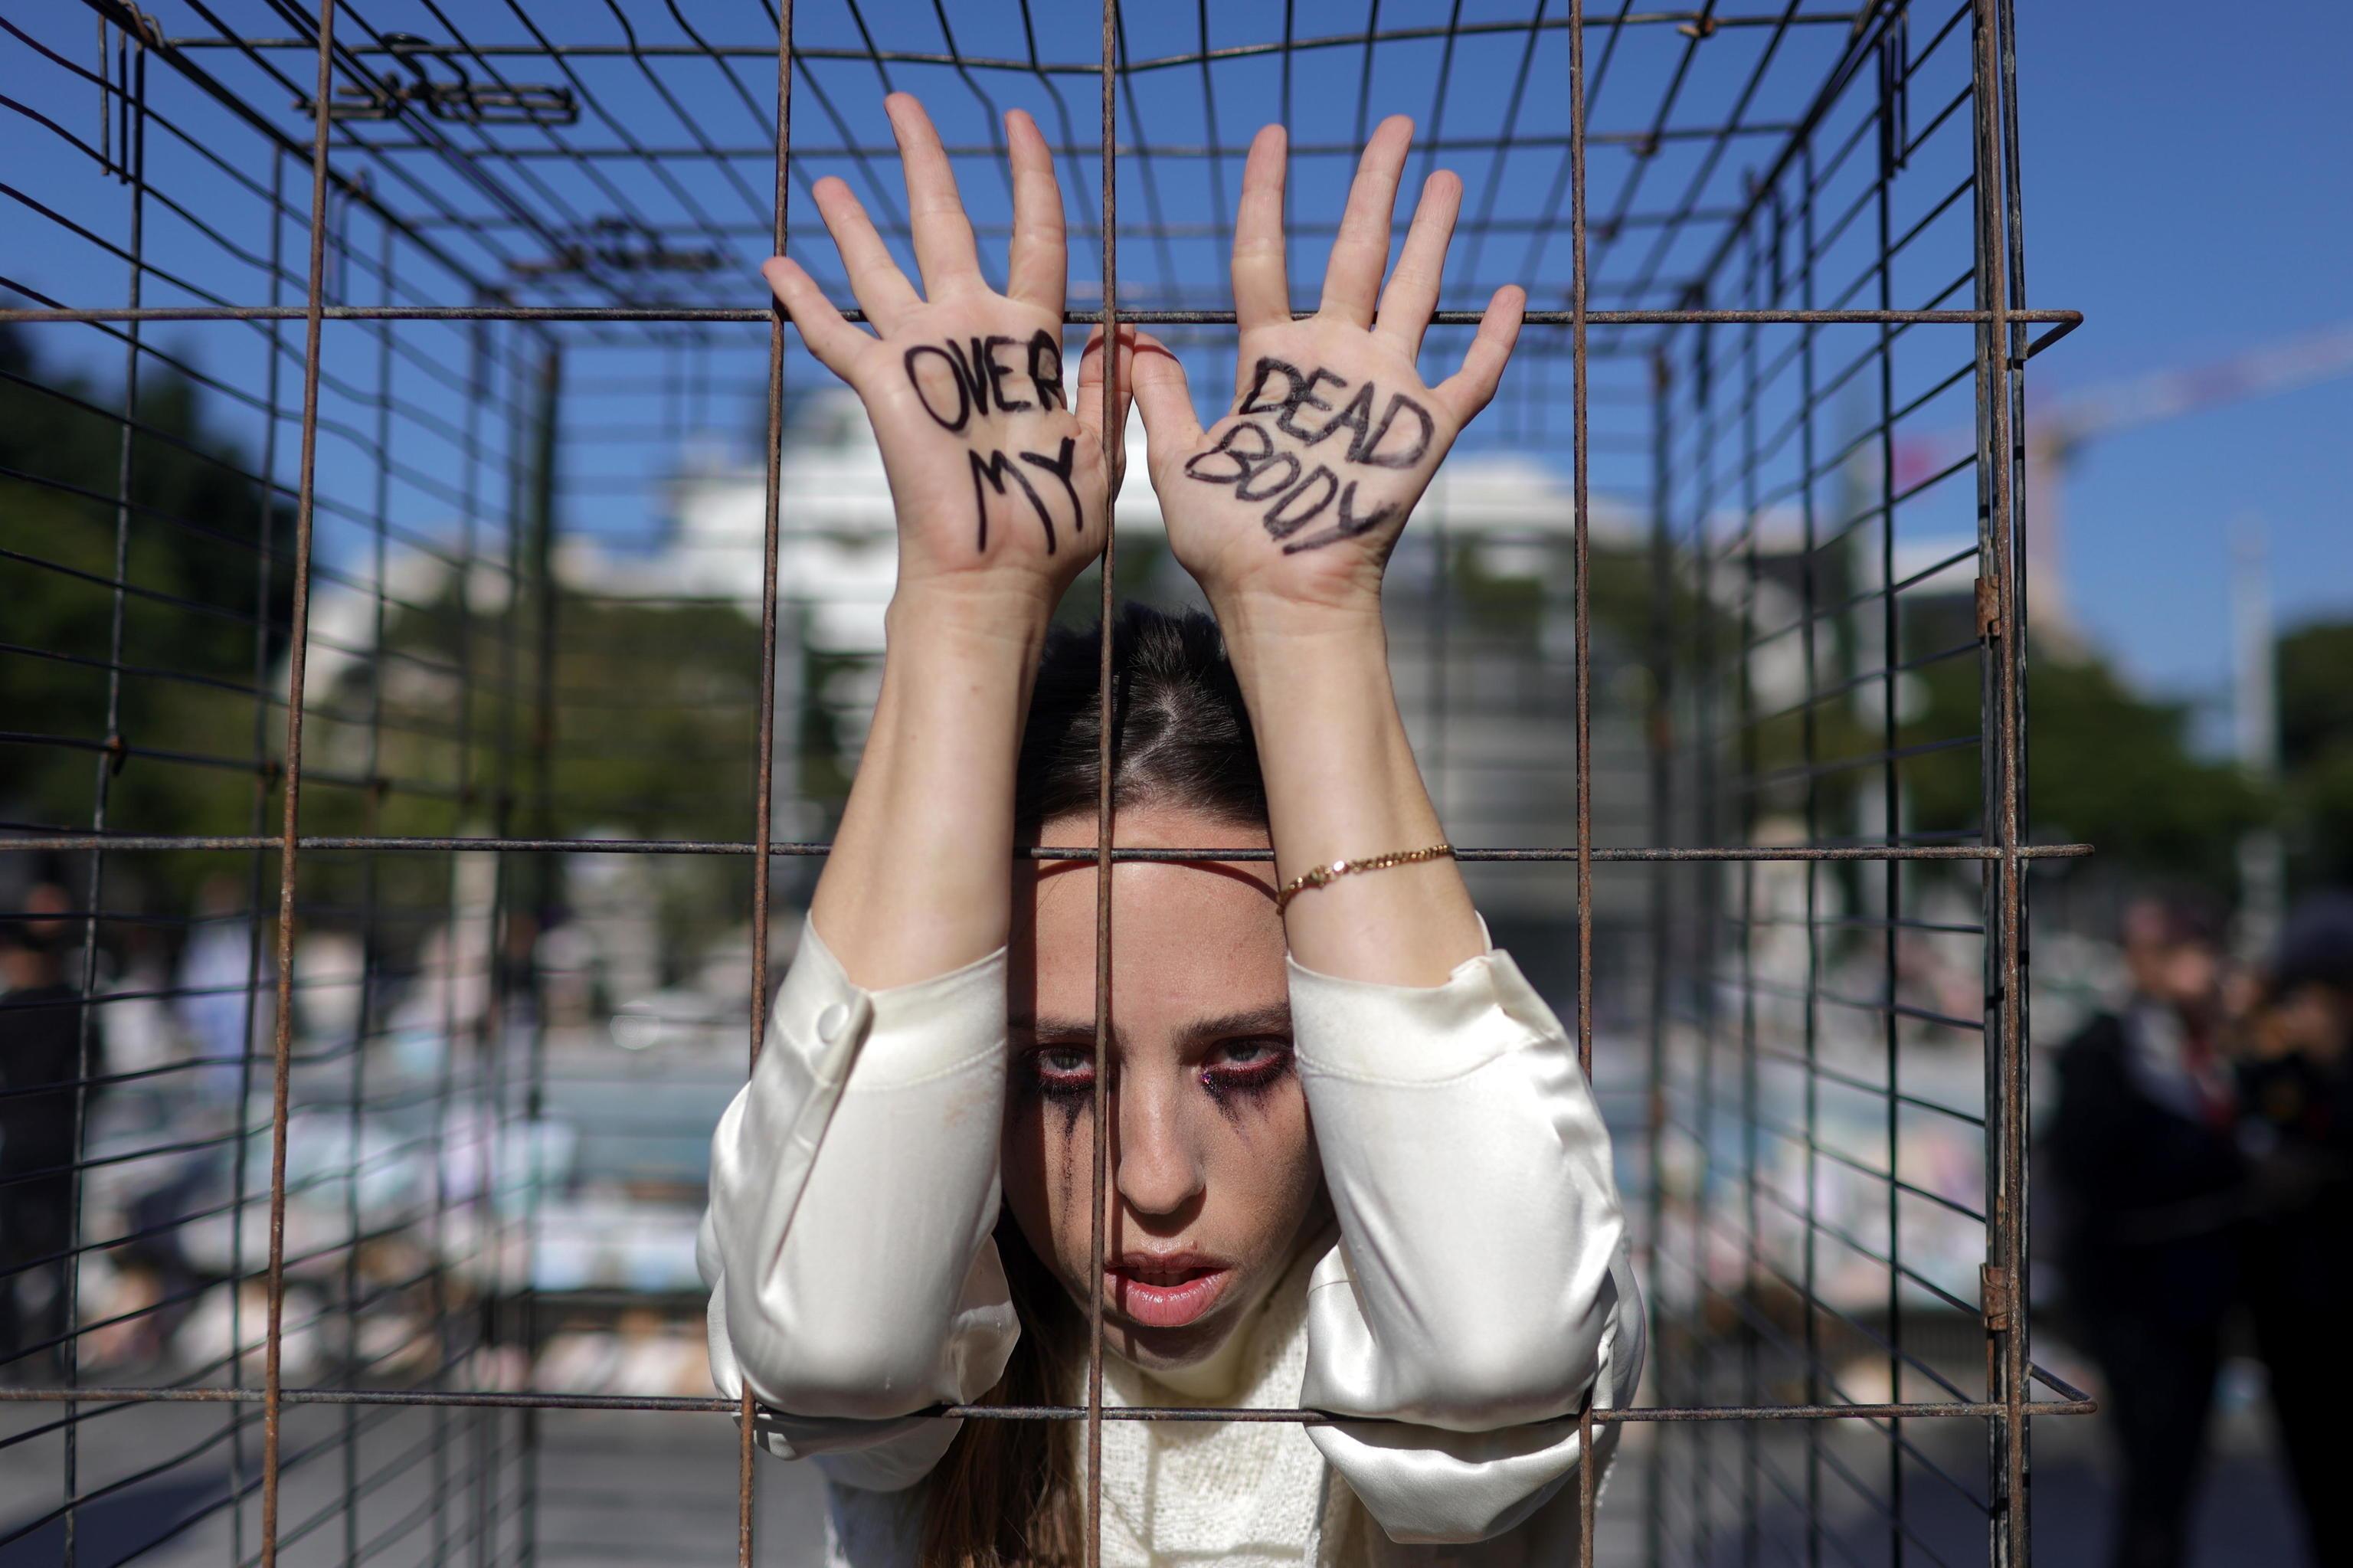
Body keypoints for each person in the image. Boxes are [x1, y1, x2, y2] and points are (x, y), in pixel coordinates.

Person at [697, 94, 1641, 1567]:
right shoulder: (948, 1354)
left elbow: (1492, 1354)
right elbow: (826, 1341)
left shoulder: (1462, 1255)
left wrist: (1304, 619)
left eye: (1248, 1056)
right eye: (1059, 1067)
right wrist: (967, 605)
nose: (1150, 1180)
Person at [2047, 898, 2242, 1568]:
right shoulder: (2102, 1049)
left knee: (2180, 1469)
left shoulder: (2217, 1041)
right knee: (2152, 1470)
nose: (2204, 964)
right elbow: (2092, 1160)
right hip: (2136, 1293)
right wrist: (2229, 1161)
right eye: (2184, 950)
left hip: (2199, 1292)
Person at [2232, 893, 2353, 1567]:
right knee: (2317, 1488)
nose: (2302, 1010)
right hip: (2294, 1317)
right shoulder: (2275, 1075)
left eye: (2320, 993)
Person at [1, 875, 103, 1377]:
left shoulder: (16, 1007)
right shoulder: (72, 1005)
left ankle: (17, 1351)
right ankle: (49, 1350)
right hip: (57, 1138)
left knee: (18, 1250)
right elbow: (97, 1073)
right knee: (57, 1250)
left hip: (21, 1142)